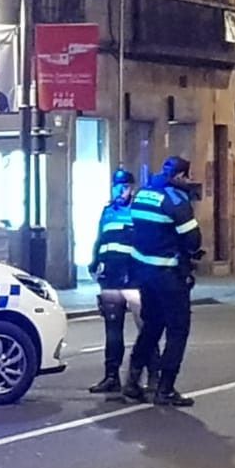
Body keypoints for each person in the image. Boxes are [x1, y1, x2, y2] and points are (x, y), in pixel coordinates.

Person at [125, 157, 203, 407]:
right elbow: (193, 241)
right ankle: (165, 388)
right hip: (168, 275)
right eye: (187, 177)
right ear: (179, 176)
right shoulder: (176, 201)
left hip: (143, 273)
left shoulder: (143, 194)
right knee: (177, 330)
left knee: (151, 327)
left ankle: (132, 382)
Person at [87, 168, 141, 395]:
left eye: (125, 186)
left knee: (145, 328)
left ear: (132, 188)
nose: (121, 191)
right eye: (117, 186)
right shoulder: (108, 211)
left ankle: (152, 375)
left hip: (133, 278)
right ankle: (111, 376)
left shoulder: (138, 211)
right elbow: (100, 239)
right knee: (112, 330)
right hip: (110, 277)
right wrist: (95, 263)